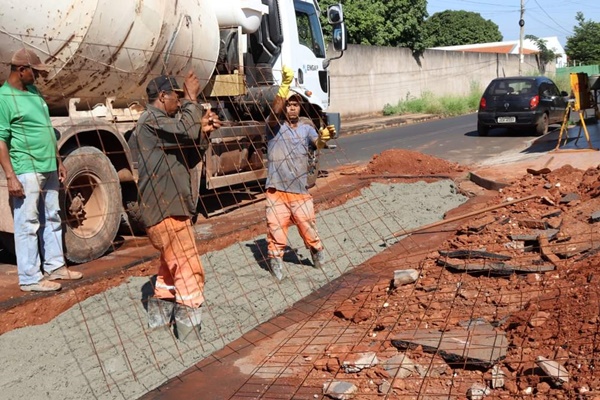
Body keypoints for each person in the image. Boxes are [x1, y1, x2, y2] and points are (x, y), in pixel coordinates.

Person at [135, 71, 220, 340]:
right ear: (163, 96)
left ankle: (159, 314)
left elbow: (190, 153)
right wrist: (194, 100)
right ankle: (189, 328)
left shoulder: (163, 126)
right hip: (166, 209)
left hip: (170, 207)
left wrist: (203, 131)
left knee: (168, 267)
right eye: (177, 97)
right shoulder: (151, 121)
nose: (180, 102)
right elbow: (184, 129)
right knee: (187, 267)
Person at [0, 48, 83, 292]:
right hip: (27, 168)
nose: (37, 77)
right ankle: (30, 278)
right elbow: (1, 139)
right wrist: (10, 176)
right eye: (34, 72)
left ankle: (55, 265)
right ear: (21, 70)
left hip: (48, 165)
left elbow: (46, 128)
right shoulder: (4, 98)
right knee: (28, 222)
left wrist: (58, 161)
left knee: (53, 215)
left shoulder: (33, 92)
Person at [264, 66, 334, 281]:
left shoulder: (306, 128)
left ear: (300, 108)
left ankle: (317, 256)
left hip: (299, 190)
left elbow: (317, 144)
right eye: (289, 105)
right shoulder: (273, 127)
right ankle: (276, 267)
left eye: (295, 105)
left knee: (308, 227)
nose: (291, 109)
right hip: (276, 189)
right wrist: (284, 87)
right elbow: (274, 111)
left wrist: (324, 138)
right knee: (276, 230)